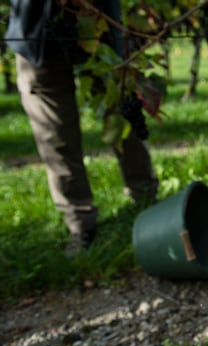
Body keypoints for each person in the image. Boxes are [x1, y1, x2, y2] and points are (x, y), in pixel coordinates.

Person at [5, 0, 159, 257]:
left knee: (123, 108)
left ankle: (146, 199)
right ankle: (79, 222)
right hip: (35, 30)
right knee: (54, 133)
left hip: (99, 24)